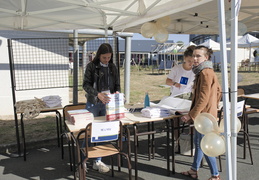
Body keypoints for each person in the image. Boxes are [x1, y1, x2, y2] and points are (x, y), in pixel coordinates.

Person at [180, 45, 222, 180]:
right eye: (194, 55)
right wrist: (213, 105)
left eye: (198, 56)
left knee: (205, 145)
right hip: (205, 115)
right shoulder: (205, 71)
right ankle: (194, 170)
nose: (195, 59)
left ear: (206, 57)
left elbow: (203, 98)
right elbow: (218, 91)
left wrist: (190, 115)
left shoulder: (205, 72)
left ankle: (215, 175)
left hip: (205, 117)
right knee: (198, 143)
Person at [82, 43, 120, 173]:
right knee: (88, 132)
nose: (107, 60)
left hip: (108, 103)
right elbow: (85, 85)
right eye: (104, 57)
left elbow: (117, 85)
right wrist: (97, 94)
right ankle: (83, 160)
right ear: (99, 55)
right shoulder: (91, 66)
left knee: (102, 132)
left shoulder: (113, 67)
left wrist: (117, 93)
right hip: (93, 102)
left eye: (109, 57)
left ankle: (97, 160)